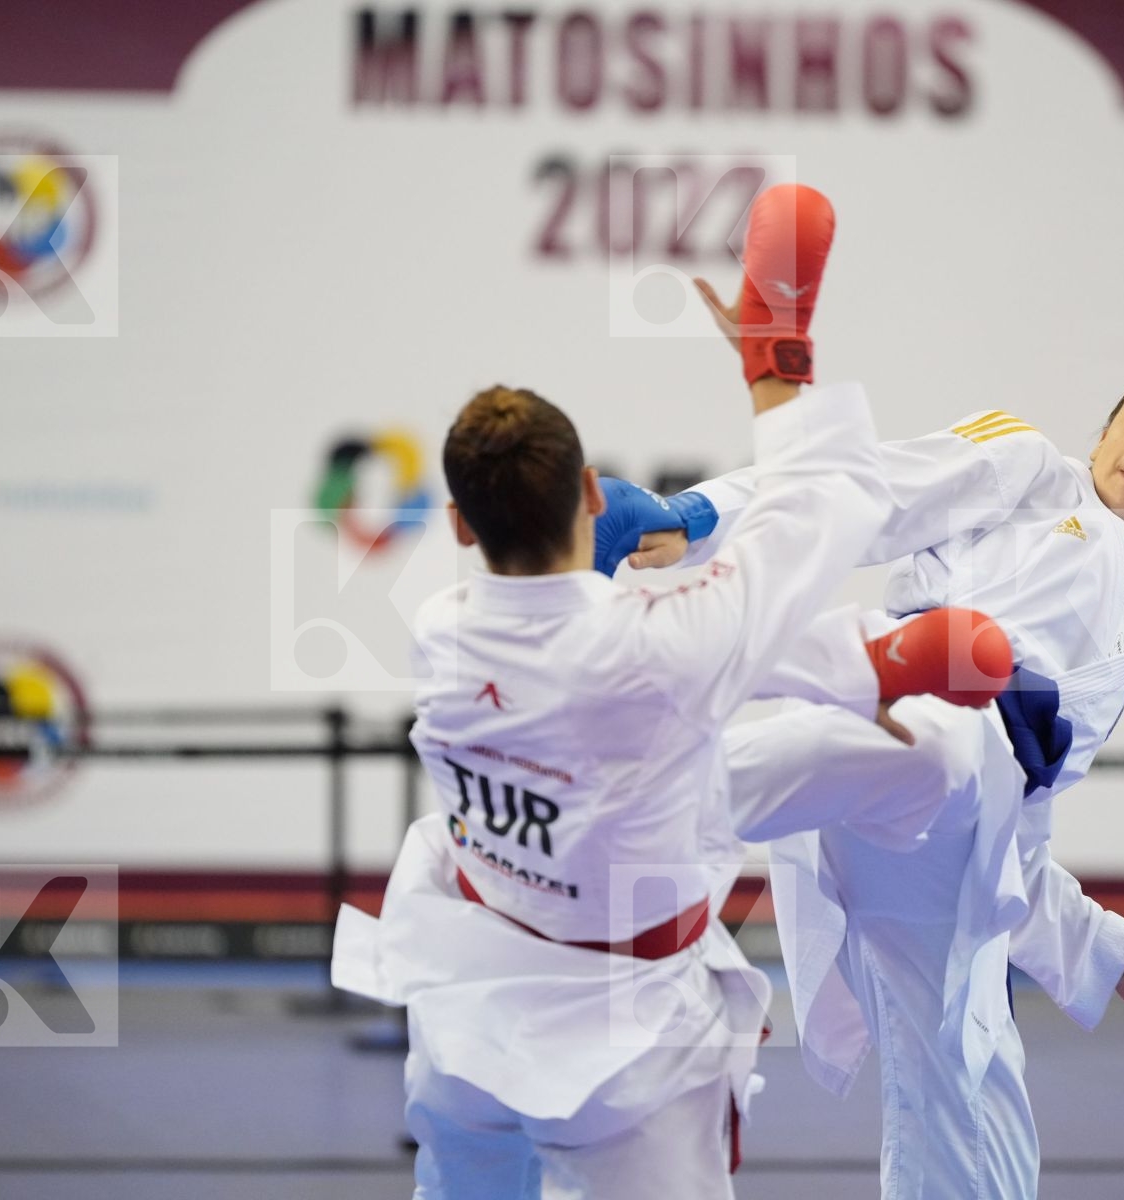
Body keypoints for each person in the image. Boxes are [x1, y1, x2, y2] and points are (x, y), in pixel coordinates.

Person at [601, 346, 1124, 1197]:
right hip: (899, 714)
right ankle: (619, 799)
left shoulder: (1119, 646)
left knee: (975, 1102)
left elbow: (1011, 839)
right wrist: (694, 516)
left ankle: (630, 799)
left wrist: (1119, 957)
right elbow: (866, 491)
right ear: (1104, 435)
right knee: (941, 733)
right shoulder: (1029, 469)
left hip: (944, 832)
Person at [330, 184, 1015, 1200]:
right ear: (596, 495)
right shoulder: (662, 651)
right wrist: (772, 354)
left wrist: (867, 667)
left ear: (463, 529)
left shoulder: (442, 631)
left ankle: (869, 675)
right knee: (829, 767)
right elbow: (813, 513)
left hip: (464, 1006)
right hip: (622, 1049)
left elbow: (593, 640)